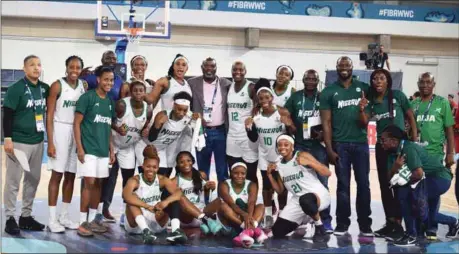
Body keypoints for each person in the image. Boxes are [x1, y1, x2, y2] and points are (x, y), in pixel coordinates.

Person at [359, 69, 417, 240]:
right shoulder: (370, 102)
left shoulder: (398, 96)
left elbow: (410, 116)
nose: (378, 81)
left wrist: (413, 137)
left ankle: (402, 224)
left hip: (400, 146)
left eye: (382, 78)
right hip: (382, 147)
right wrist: (361, 109)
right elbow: (364, 122)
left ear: (388, 81)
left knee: (400, 184)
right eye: (375, 78)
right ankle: (391, 222)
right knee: (385, 184)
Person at [319, 56, 373, 236]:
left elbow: (366, 120)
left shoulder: (363, 89)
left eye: (347, 65)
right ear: (336, 68)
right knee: (342, 185)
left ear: (352, 68)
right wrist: (329, 148)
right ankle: (342, 223)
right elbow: (326, 123)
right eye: (341, 65)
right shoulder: (328, 91)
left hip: (361, 144)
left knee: (364, 184)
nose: (344, 68)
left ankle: (365, 224)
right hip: (340, 145)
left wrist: (362, 110)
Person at [380, 125, 458, 246]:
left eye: (383, 140)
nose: (381, 143)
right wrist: (395, 167)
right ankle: (453, 222)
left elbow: (418, 173)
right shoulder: (392, 154)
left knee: (406, 195)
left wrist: (401, 179)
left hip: (439, 178)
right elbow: (388, 179)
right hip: (424, 179)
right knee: (425, 213)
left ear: (394, 141)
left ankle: (411, 235)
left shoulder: (408, 148)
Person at [3, 55, 49, 235]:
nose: (36, 68)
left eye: (39, 64)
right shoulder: (16, 89)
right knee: (13, 181)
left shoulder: (44, 89)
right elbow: (7, 114)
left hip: (37, 141)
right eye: (32, 65)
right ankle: (9, 218)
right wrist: (7, 138)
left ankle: (26, 216)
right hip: (19, 142)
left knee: (33, 179)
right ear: (24, 68)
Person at [284, 69, 333, 233]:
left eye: (314, 78)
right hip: (298, 145)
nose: (311, 81)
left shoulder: (323, 97)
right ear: (303, 80)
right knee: (299, 183)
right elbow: (284, 113)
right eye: (308, 78)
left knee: (322, 183)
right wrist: (289, 123)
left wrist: (324, 134)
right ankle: (302, 217)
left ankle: (325, 220)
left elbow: (331, 118)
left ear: (317, 81)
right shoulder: (296, 97)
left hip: (317, 146)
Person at [81, 50, 128, 223]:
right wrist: (80, 75)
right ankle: (84, 215)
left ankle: (103, 209)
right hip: (92, 129)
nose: (110, 61)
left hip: (109, 128)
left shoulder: (119, 81)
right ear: (101, 60)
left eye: (113, 59)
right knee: (89, 178)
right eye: (107, 58)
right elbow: (81, 90)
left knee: (107, 176)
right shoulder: (92, 78)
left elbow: (121, 105)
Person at [245, 78, 295, 228]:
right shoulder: (255, 115)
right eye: (261, 98)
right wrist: (248, 128)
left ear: (272, 97)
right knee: (267, 188)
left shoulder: (282, 112)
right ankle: (268, 216)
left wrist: (289, 124)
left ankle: (283, 215)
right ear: (258, 100)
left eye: (267, 97)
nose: (264, 100)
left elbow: (293, 132)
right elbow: (253, 139)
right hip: (264, 156)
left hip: (280, 157)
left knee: (282, 189)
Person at [410, 72, 455, 239]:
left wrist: (451, 152)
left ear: (433, 84)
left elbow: (449, 129)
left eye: (428, 82)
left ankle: (432, 227)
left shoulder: (442, 103)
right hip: (417, 154)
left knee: (432, 192)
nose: (425, 85)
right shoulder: (413, 104)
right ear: (418, 83)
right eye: (422, 82)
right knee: (419, 190)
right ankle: (421, 224)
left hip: (435, 154)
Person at [74, 65, 116, 237]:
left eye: (111, 80)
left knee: (98, 184)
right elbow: (76, 124)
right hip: (89, 149)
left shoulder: (109, 102)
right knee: (89, 184)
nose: (109, 83)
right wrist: (79, 148)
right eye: (106, 79)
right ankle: (82, 222)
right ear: (98, 79)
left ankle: (92, 220)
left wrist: (111, 149)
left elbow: (108, 128)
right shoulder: (87, 98)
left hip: (103, 151)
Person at [46, 55, 86, 233]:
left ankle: (64, 215)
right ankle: (52, 218)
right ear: (66, 67)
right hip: (60, 129)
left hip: (76, 131)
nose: (75, 71)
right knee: (57, 175)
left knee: (70, 175)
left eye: (78, 68)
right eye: (72, 67)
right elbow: (49, 116)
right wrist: (50, 142)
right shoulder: (57, 85)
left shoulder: (83, 86)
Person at [268, 134, 331, 242]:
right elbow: (280, 190)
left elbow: (327, 172)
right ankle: (305, 219)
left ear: (292, 146)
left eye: (286, 144)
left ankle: (320, 228)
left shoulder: (302, 155)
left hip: (318, 195)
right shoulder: (279, 165)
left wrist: (310, 162)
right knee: (277, 231)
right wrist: (269, 175)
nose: (282, 147)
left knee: (306, 200)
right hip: (298, 200)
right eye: (280, 145)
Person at [122, 145, 188, 244]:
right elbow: (125, 196)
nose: (151, 170)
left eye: (154, 167)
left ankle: (176, 231)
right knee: (131, 199)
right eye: (148, 166)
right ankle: (146, 232)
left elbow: (179, 193)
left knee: (173, 197)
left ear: (158, 168)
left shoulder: (162, 180)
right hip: (136, 224)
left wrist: (165, 202)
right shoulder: (134, 180)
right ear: (143, 166)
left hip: (156, 220)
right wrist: (147, 206)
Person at [111, 80, 152, 226]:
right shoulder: (122, 104)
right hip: (121, 145)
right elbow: (109, 120)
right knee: (128, 178)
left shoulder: (148, 108)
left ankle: (145, 208)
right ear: (131, 91)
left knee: (145, 173)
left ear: (145, 92)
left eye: (141, 90)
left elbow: (146, 124)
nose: (138, 93)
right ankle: (125, 211)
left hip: (137, 142)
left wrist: (147, 129)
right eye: (135, 90)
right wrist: (117, 128)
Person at [188, 57, 232, 183]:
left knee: (222, 170)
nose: (209, 69)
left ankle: (222, 200)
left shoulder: (226, 84)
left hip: (221, 132)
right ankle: (204, 201)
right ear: (202, 68)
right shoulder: (192, 83)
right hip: (201, 132)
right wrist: (192, 115)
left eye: (212, 66)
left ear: (216, 68)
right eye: (206, 66)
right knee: (202, 170)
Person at [148, 91, 200, 177]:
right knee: (158, 175)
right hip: (153, 147)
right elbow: (151, 138)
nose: (181, 113)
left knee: (166, 174)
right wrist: (157, 126)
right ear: (174, 105)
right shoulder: (162, 115)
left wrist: (198, 120)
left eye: (185, 110)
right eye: (179, 109)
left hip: (167, 148)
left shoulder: (189, 117)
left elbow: (198, 129)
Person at [217, 162, 267, 248]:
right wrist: (245, 215)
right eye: (236, 173)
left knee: (261, 206)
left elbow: (251, 203)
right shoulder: (224, 184)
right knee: (223, 206)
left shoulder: (252, 184)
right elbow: (231, 204)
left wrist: (249, 216)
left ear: (246, 174)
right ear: (231, 173)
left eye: (243, 173)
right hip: (231, 219)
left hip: (246, 216)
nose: (239, 176)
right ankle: (252, 230)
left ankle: (246, 232)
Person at [172, 151, 223, 235]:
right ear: (177, 164)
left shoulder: (202, 175)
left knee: (220, 200)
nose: (186, 163)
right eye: (182, 162)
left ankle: (208, 224)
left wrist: (209, 188)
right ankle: (207, 223)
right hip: (187, 218)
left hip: (203, 212)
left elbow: (205, 196)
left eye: (188, 160)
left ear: (193, 161)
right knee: (179, 198)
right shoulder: (174, 181)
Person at [226, 61, 258, 184]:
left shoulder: (251, 87)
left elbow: (258, 107)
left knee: (250, 174)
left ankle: (252, 201)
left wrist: (253, 119)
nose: (237, 72)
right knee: (233, 172)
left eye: (240, 70)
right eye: (235, 69)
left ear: (245, 71)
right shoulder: (229, 87)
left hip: (247, 137)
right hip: (232, 136)